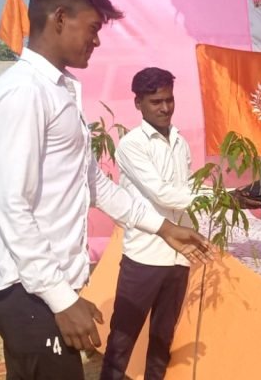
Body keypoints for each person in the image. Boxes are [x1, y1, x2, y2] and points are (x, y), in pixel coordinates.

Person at [0, 0, 214, 380]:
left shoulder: (60, 91)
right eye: (92, 28)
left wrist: (163, 228)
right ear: (59, 18)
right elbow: (10, 204)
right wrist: (60, 299)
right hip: (27, 288)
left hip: (44, 284)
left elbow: (94, 183)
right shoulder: (24, 93)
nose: (97, 41)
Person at [100, 68, 204, 379]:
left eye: (169, 100)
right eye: (156, 102)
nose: (165, 108)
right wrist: (220, 196)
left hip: (178, 255)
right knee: (122, 338)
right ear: (138, 103)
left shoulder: (179, 141)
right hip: (144, 255)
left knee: (162, 338)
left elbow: (185, 190)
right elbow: (164, 194)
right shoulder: (132, 144)